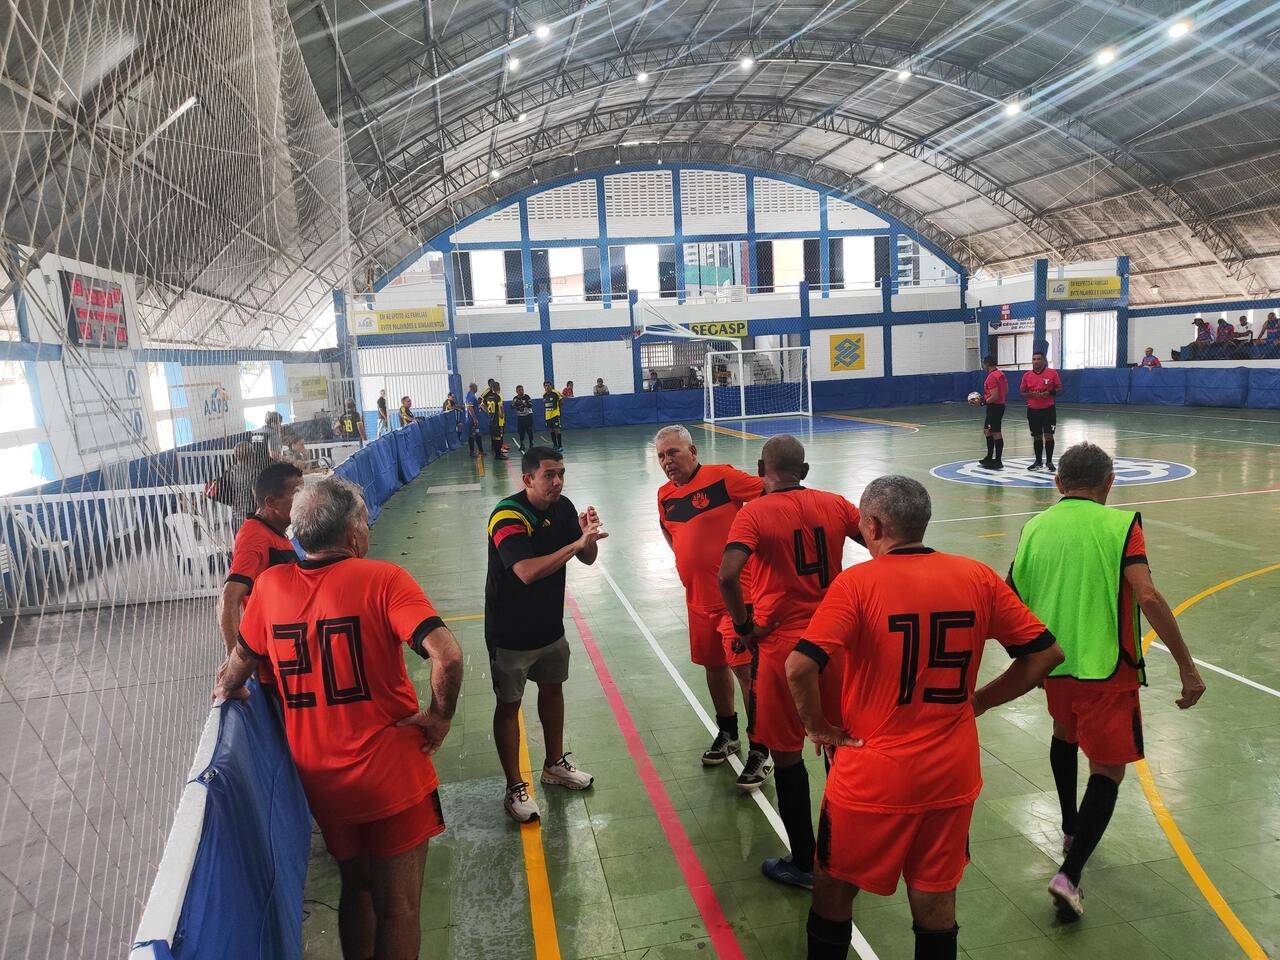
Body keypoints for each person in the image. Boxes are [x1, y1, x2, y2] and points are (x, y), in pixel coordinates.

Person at [789, 475, 1064, 960]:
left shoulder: (857, 583)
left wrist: (818, 728)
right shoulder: (976, 576)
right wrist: (977, 702)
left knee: (833, 890)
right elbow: (1045, 655)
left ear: (872, 525)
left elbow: (800, 666)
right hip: (950, 774)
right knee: (935, 899)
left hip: (873, 777)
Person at [213, 476, 463, 960]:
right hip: (390, 774)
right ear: (352, 535)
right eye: (364, 524)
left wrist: (229, 689)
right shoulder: (383, 579)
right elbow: (447, 656)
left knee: (357, 887)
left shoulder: (270, 588)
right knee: (400, 907)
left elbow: (235, 670)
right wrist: (438, 717)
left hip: (322, 780)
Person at [1008, 442, 1206, 922]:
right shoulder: (1122, 527)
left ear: (1058, 483)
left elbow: (1009, 597)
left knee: (1063, 735)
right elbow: (1148, 595)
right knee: (1108, 769)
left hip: (1054, 667)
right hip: (1107, 668)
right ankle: (1069, 875)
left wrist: (1027, 660)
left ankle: (1071, 827)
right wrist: (1185, 664)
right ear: (1109, 483)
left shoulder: (1034, 527)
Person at [718, 435, 862, 889]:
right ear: (804, 469)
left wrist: (744, 625)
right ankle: (848, 853)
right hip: (834, 644)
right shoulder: (836, 504)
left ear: (762, 467)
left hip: (784, 650)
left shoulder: (753, 513)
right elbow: (882, 544)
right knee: (840, 746)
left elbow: (727, 574)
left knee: (787, 755)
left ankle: (804, 862)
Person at [486, 446, 604, 822]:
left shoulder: (564, 507)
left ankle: (554, 765)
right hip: (510, 633)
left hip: (550, 627)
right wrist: (574, 545)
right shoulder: (507, 515)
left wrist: (586, 537)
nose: (557, 481)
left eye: (561, 473)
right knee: (509, 706)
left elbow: (586, 558)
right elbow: (525, 571)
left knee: (553, 691)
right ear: (527, 479)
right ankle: (514, 787)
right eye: (549, 474)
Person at [654, 425, 765, 773]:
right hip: (697, 601)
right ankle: (728, 733)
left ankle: (762, 749)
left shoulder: (723, 478)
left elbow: (769, 495)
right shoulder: (663, 495)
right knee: (714, 668)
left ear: (693, 451)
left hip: (737, 600)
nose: (667, 461)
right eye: (661, 456)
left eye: (673, 452)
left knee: (746, 672)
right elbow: (668, 529)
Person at [218, 461, 304, 654]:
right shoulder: (254, 537)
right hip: (271, 659)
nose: (303, 500)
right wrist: (235, 660)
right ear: (271, 502)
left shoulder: (273, 532)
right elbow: (228, 598)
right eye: (297, 494)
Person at [1019, 351, 1061, 473]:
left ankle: (1049, 461)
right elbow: (1022, 393)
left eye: (1038, 359)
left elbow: (1059, 388)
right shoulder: (1027, 376)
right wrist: (1031, 394)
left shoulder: (1052, 373)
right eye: (1034, 359)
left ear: (1043, 361)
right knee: (1037, 436)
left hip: (1048, 410)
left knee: (1048, 435)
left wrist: (1049, 393)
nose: (1036, 361)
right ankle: (1038, 461)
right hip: (1033, 410)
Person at [972, 355, 1007, 469]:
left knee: (995, 432)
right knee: (987, 431)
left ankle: (997, 460)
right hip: (998, 405)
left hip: (995, 406)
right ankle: (990, 457)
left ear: (986, 364)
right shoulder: (1001, 374)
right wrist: (983, 398)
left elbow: (995, 396)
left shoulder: (992, 377)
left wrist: (982, 402)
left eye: (983, 364)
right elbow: (1005, 390)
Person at [481, 380, 507, 460]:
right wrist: (501, 415)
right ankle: (498, 455)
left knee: (495, 438)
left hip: (491, 420)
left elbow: (482, 405)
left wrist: (488, 412)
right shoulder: (498, 397)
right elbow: (500, 408)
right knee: (499, 438)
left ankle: (497, 453)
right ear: (499, 388)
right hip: (498, 421)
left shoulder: (488, 397)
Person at [542, 380, 564, 452]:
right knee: (551, 430)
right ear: (544, 387)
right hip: (548, 416)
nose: (547, 387)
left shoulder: (555, 393)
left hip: (555, 415)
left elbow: (562, 399)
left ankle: (560, 446)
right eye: (546, 386)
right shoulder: (544, 395)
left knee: (557, 430)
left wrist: (558, 408)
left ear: (551, 386)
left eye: (548, 385)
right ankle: (555, 445)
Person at [512, 385, 535, 451]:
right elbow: (511, 407)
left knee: (529, 431)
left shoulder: (527, 397)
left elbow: (530, 405)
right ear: (516, 391)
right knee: (521, 432)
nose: (521, 391)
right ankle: (522, 445)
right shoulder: (515, 398)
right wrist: (513, 404)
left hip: (528, 416)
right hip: (520, 417)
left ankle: (531, 444)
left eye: (522, 390)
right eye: (519, 390)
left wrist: (523, 403)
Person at [464, 382, 484, 457]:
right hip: (471, 420)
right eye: (476, 387)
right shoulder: (470, 396)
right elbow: (470, 408)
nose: (477, 389)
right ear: (473, 388)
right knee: (472, 435)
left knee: (478, 434)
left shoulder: (472, 396)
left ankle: (481, 451)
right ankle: (472, 452)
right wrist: (474, 419)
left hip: (474, 420)